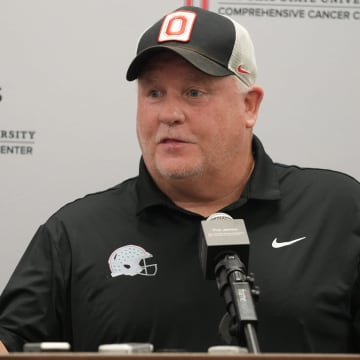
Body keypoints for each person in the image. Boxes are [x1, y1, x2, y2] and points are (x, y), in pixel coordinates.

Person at [0, 5, 359, 354]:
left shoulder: (338, 210)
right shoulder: (75, 233)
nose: (170, 114)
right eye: (154, 93)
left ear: (249, 106)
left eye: (193, 93)